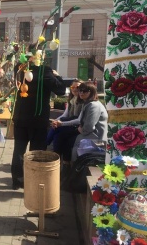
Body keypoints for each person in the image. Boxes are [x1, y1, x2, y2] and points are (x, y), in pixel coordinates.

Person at [11, 49, 66, 190]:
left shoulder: (19, 68)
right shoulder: (45, 71)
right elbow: (60, 90)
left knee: (19, 150)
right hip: (38, 119)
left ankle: (17, 181)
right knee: (35, 152)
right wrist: (57, 76)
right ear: (40, 57)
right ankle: (32, 181)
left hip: (20, 118)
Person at [56, 82, 108, 169]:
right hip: (88, 134)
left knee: (67, 140)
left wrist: (79, 129)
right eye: (80, 90)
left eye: (85, 91)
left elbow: (89, 127)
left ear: (92, 92)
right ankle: (63, 165)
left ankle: (68, 167)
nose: (81, 93)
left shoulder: (93, 106)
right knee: (61, 135)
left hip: (96, 138)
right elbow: (80, 121)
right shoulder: (87, 104)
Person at [47, 79, 84, 156]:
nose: (74, 89)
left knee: (58, 130)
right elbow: (65, 114)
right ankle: (56, 156)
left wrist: (61, 123)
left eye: (77, 87)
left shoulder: (84, 102)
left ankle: (46, 147)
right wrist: (55, 121)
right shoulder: (71, 100)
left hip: (77, 126)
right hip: (68, 124)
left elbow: (79, 120)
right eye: (72, 87)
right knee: (57, 133)